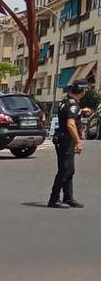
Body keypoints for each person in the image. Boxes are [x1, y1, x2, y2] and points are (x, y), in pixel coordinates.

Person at [48, 80, 89, 208]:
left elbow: (69, 112)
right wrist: (78, 142)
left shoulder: (66, 102)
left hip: (62, 139)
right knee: (65, 170)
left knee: (69, 170)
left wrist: (81, 111)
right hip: (66, 139)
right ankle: (54, 199)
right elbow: (70, 124)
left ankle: (68, 197)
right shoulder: (73, 105)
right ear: (82, 91)